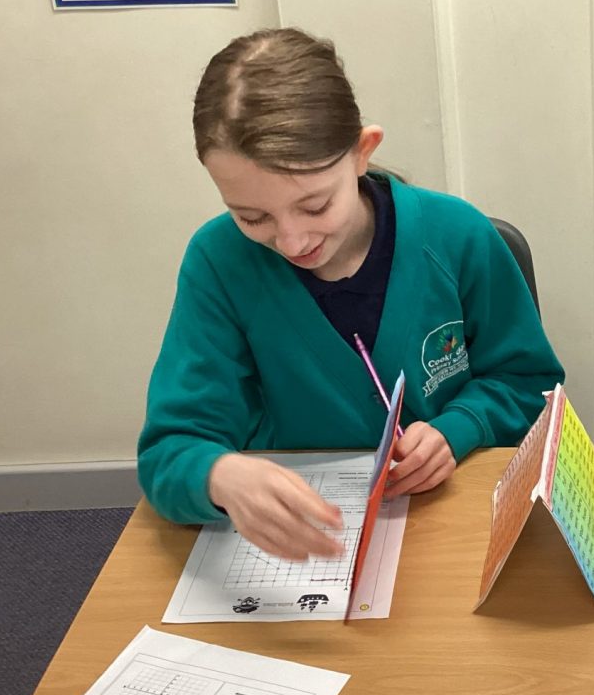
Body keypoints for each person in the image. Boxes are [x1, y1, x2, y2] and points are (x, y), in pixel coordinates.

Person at [138, 28, 564, 560]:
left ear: (363, 152)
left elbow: (529, 384)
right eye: (251, 217)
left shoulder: (457, 237)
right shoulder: (219, 262)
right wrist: (218, 475)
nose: (292, 241)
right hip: (305, 544)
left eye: (315, 206)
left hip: (450, 525)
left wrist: (460, 427)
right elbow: (168, 451)